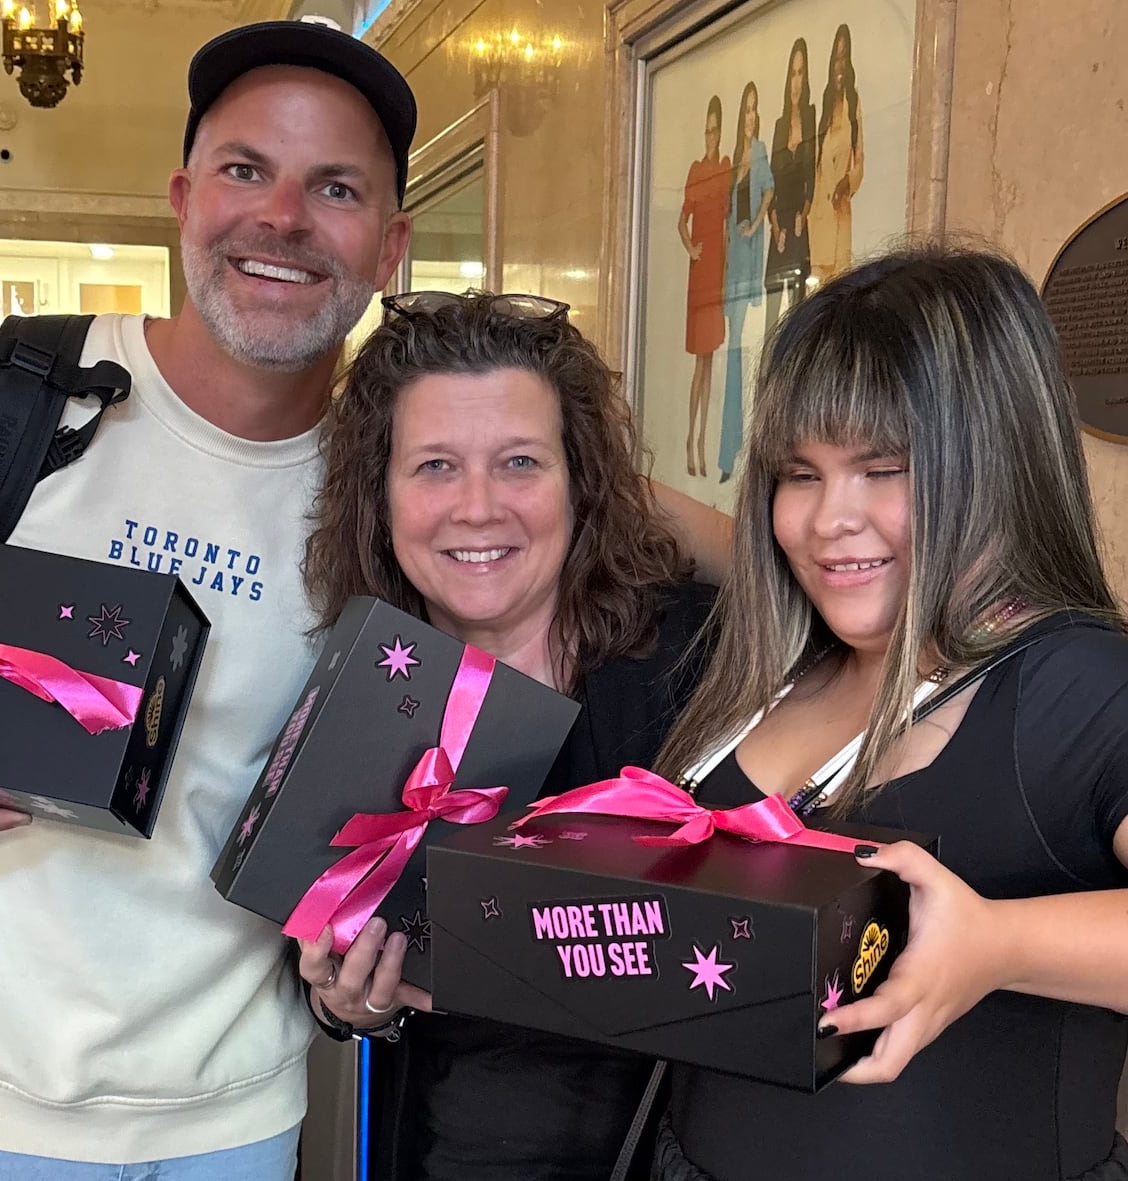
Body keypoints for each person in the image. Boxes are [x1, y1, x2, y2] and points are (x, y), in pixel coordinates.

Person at [0, 19, 414, 1179]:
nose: (282, 218)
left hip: (233, 1122)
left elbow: (602, 509)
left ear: (389, 246)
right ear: (183, 195)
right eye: (244, 169)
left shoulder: (397, 480)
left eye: (336, 188)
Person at [650, 245, 1128, 1181]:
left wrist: (1001, 944)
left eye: (884, 468)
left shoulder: (1081, 687)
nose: (830, 518)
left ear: (999, 462)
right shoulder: (775, 670)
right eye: (800, 472)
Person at [296, 291, 721, 1180]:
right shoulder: (367, 689)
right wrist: (351, 1005)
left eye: (521, 461)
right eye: (435, 466)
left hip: (689, 1149)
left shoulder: (705, 661)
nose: (478, 507)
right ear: (380, 495)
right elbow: (321, 964)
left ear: (585, 480)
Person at [718, 81, 774, 486]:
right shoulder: (734, 157)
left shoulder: (758, 152)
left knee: (749, 353)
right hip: (731, 263)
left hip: (750, 265)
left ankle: (745, 457)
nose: (751, 116)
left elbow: (769, 191)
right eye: (748, 109)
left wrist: (755, 225)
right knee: (732, 357)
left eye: (756, 109)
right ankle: (728, 450)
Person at [678, 95, 730, 478]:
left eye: (715, 129)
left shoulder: (725, 168)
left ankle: (701, 441)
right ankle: (691, 435)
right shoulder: (697, 171)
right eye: (707, 129)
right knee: (699, 360)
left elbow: (728, 219)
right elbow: (682, 221)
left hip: (718, 269)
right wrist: (690, 248)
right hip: (701, 270)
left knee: (710, 360)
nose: (711, 135)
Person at [764, 38, 815, 337]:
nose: (796, 81)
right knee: (772, 311)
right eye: (793, 74)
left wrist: (803, 215)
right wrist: (775, 226)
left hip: (799, 221)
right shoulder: (780, 125)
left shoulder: (810, 117)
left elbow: (811, 176)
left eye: (801, 73)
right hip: (778, 224)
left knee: (798, 308)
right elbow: (771, 184)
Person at [807, 23, 864, 285]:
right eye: (835, 58)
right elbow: (817, 168)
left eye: (844, 57)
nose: (839, 65)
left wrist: (848, 183)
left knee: (842, 290)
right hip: (820, 218)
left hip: (840, 214)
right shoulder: (825, 105)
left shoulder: (854, 104)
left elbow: (860, 160)